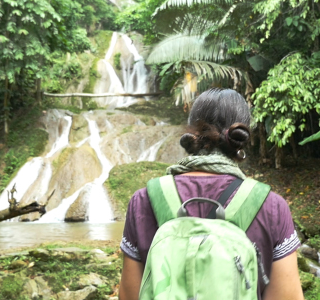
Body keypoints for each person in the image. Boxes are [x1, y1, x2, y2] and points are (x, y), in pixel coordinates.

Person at [118, 88, 304, 300]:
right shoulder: (271, 205)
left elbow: (129, 295)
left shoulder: (144, 201)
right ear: (241, 137)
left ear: (191, 133)